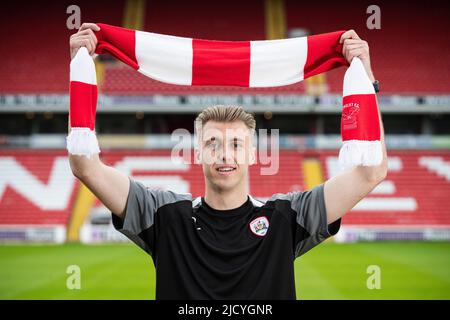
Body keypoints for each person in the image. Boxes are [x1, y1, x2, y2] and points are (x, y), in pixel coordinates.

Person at [69, 23, 387, 299]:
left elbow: (372, 171)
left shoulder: (286, 217)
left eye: (236, 144)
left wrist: (367, 77)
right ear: (198, 153)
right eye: (212, 143)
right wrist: (79, 66)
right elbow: (85, 165)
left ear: (252, 154)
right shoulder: (163, 215)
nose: (224, 153)